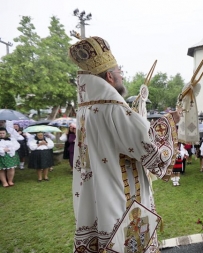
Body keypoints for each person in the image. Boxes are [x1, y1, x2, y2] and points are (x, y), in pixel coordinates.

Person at [68, 36, 180, 252]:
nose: (121, 76)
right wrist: (169, 123)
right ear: (109, 77)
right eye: (119, 71)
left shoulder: (85, 108)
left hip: (95, 193)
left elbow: (120, 137)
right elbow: (151, 151)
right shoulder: (113, 108)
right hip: (122, 193)